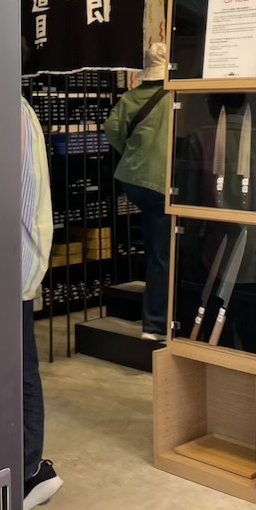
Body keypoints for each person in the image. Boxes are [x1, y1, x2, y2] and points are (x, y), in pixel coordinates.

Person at [103, 42, 172, 339]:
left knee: (155, 247)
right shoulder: (174, 96)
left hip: (134, 180)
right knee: (163, 255)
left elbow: (111, 129)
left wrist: (132, 153)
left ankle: (157, 318)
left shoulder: (130, 97)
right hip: (164, 183)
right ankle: (156, 323)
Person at [21, 78, 63, 510]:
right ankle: (26, 466)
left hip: (8, 272)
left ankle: (29, 468)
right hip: (4, 270)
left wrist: (29, 273)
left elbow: (29, 204)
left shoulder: (14, 113)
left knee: (20, 369)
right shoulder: (13, 111)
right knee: (18, 368)